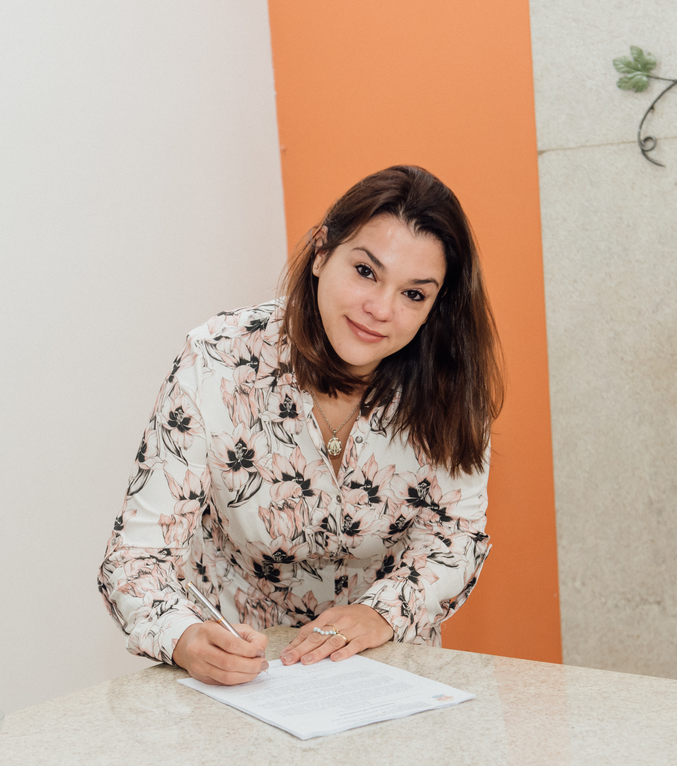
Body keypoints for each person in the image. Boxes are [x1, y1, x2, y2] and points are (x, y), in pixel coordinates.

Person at [98, 165, 503, 686]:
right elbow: (136, 556)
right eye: (365, 271)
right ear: (321, 252)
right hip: (245, 675)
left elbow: (453, 538)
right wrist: (185, 638)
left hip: (386, 670)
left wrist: (380, 613)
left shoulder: (449, 383)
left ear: (435, 307)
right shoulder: (218, 360)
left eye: (414, 294)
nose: (380, 309)